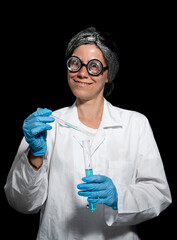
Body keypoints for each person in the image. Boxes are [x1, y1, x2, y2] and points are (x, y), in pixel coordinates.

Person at [4, 27, 172, 240]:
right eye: (75, 63)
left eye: (94, 66)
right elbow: (21, 204)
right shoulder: (49, 124)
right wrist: (34, 156)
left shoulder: (135, 124)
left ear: (108, 73)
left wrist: (118, 196)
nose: (82, 73)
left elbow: (159, 194)